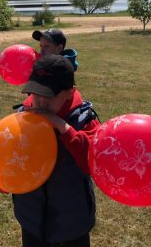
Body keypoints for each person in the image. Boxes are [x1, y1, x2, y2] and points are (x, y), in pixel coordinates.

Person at [11, 54, 101, 247]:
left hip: (71, 220)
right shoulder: (22, 118)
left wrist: (64, 128)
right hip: (32, 215)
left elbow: (93, 163)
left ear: (70, 92)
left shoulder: (85, 120)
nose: (40, 102)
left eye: (49, 95)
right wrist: (4, 179)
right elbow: (10, 157)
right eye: (35, 93)